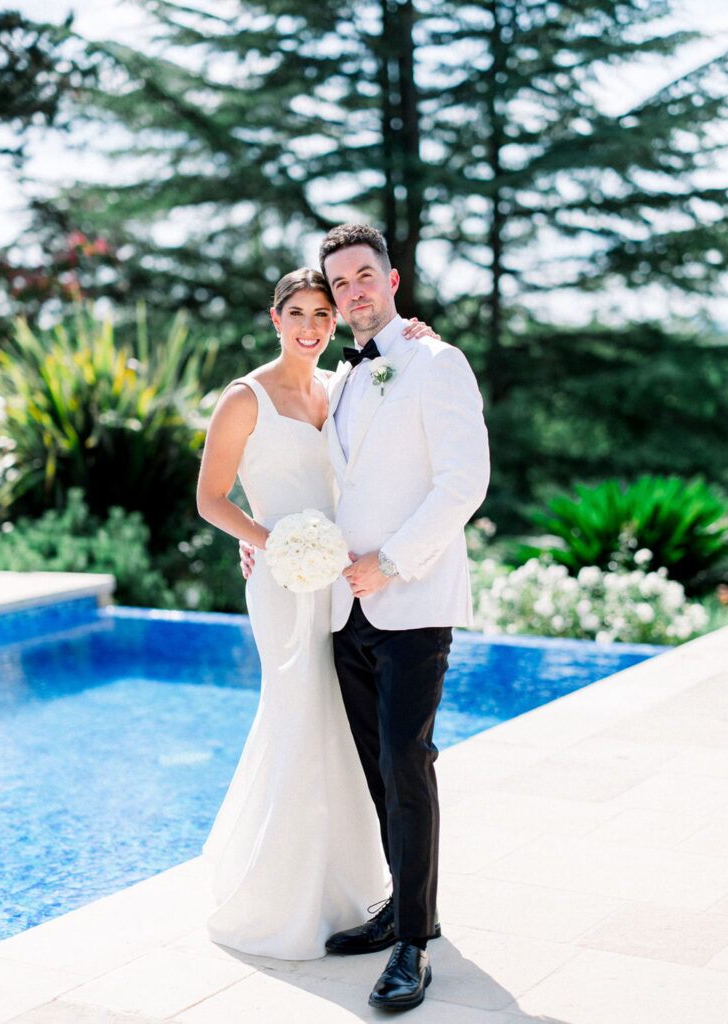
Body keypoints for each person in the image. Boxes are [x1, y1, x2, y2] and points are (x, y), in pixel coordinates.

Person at [242, 224, 490, 1011]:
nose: (351, 292)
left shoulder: (436, 361)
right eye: (338, 282)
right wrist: (278, 544)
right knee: (377, 767)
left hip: (411, 599)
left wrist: (392, 562)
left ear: (391, 277)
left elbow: (463, 483)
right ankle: (403, 908)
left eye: (363, 276)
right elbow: (327, 483)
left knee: (406, 763)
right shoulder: (345, 377)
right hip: (344, 606)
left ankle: (413, 945)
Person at [196, 267, 437, 960]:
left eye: (321, 315)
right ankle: (282, 895)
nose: (309, 326)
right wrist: (272, 544)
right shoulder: (245, 398)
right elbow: (212, 500)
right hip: (283, 579)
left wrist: (415, 336)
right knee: (296, 715)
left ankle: (348, 886)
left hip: (339, 582)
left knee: (336, 727)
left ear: (334, 324)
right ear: (274, 318)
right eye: (296, 312)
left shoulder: (338, 387)